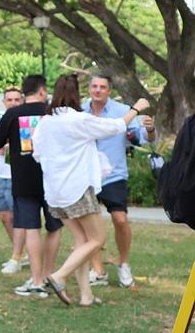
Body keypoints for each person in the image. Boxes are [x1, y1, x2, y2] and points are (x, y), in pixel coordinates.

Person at [32, 74, 150, 306]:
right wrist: (136, 108)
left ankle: (86, 296)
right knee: (97, 239)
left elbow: (37, 154)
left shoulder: (45, 123)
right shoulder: (78, 120)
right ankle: (59, 275)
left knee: (82, 240)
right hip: (78, 190)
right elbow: (116, 126)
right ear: (77, 94)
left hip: (55, 193)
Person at [0, 74, 62, 298]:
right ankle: (49, 275)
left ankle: (37, 279)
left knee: (31, 230)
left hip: (23, 180)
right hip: (52, 180)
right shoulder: (53, 113)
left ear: (24, 92)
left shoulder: (13, 114)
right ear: (42, 90)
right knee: (54, 228)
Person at [84, 73, 155, 287]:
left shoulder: (122, 111)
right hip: (86, 175)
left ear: (109, 90)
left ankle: (124, 264)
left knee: (120, 219)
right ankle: (97, 270)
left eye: (102, 87)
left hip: (113, 175)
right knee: (88, 224)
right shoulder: (80, 111)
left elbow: (141, 138)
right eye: (94, 86)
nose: (98, 90)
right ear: (89, 89)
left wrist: (150, 129)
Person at [0, 86, 27, 274]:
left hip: (17, 176)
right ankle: (21, 253)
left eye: (16, 100)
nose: (13, 103)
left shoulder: (25, 120)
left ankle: (17, 256)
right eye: (10, 100)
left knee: (18, 217)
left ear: (22, 101)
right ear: (4, 102)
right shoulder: (2, 120)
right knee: (4, 216)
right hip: (2, 174)